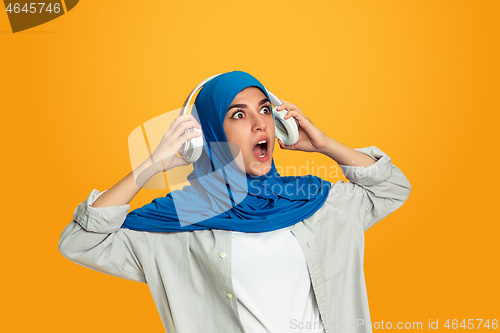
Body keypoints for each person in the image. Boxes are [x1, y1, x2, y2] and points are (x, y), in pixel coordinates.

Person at [58, 71, 411, 333]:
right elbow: (81, 241)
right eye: (238, 115)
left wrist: (326, 145)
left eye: (265, 110)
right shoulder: (186, 217)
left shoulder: (312, 201)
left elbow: (391, 187)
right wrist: (151, 166)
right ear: (208, 136)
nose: (260, 124)